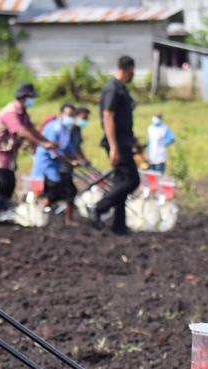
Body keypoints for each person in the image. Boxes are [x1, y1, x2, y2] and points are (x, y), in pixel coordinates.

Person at [0, 82, 55, 219]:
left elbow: (31, 129)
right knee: (1, 183)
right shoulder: (11, 112)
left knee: (10, 183)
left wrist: (46, 141)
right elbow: (21, 131)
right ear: (24, 97)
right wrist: (40, 143)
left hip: (8, 153)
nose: (32, 101)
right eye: (30, 97)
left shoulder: (22, 112)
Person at [89, 55, 139, 235]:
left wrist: (133, 140)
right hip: (117, 142)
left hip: (124, 140)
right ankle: (98, 208)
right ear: (127, 69)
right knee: (132, 180)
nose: (133, 75)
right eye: (132, 71)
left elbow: (123, 119)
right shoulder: (112, 89)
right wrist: (114, 146)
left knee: (120, 182)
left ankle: (119, 225)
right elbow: (108, 116)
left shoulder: (122, 90)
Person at [31, 103, 89, 227]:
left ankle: (64, 219)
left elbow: (70, 148)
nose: (71, 118)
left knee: (69, 191)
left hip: (59, 164)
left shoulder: (66, 129)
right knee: (55, 188)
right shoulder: (55, 128)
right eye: (69, 115)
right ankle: (38, 214)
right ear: (61, 114)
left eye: (72, 115)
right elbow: (53, 150)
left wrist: (80, 160)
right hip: (47, 163)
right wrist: (69, 161)